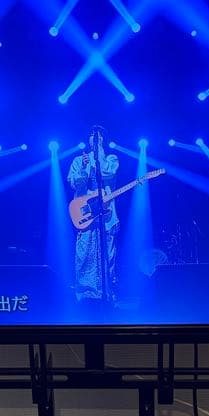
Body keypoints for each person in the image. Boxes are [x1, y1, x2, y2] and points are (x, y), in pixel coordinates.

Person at [67, 125, 120, 302]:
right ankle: (85, 295)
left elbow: (107, 173)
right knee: (84, 254)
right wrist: (83, 167)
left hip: (106, 215)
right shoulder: (78, 160)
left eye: (98, 135)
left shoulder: (111, 159)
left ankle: (107, 293)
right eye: (92, 135)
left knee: (107, 254)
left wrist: (98, 154)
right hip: (86, 214)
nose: (95, 137)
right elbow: (76, 184)